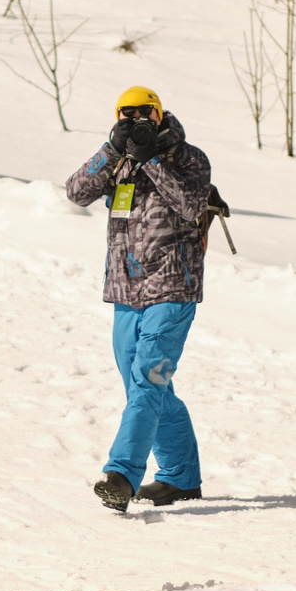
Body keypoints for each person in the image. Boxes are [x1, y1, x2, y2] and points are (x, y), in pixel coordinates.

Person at [66, 86, 213, 511]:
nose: (136, 121)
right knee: (145, 386)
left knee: (149, 377)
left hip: (173, 287)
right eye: (126, 115)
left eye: (144, 113)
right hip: (126, 292)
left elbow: (190, 204)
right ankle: (180, 477)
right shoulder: (118, 161)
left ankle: (122, 475)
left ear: (160, 113)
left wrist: (152, 159)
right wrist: (112, 150)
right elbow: (76, 193)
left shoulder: (188, 157)